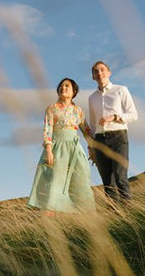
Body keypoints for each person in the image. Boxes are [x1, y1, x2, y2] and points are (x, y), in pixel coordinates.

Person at [28, 78, 96, 213]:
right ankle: (50, 218)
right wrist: (48, 150)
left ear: (74, 91)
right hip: (56, 149)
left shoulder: (78, 111)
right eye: (61, 86)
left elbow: (87, 131)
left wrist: (91, 149)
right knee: (54, 183)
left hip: (75, 150)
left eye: (67, 86)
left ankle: (83, 217)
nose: (63, 88)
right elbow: (47, 129)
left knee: (80, 181)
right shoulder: (51, 108)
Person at [87, 60, 137, 206]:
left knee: (120, 176)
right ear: (93, 77)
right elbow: (92, 124)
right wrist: (91, 146)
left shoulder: (121, 90)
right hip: (100, 140)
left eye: (102, 70)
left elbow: (133, 115)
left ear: (109, 72)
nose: (99, 73)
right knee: (107, 181)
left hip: (119, 136)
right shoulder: (92, 98)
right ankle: (115, 215)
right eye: (96, 71)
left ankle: (129, 211)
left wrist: (114, 117)